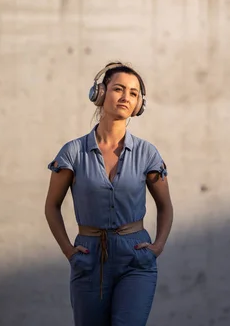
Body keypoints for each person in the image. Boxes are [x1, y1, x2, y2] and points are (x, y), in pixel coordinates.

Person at [44, 61, 173, 326]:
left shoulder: (147, 154)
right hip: (89, 257)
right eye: (118, 89)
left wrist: (157, 247)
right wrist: (69, 251)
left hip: (135, 257)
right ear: (100, 93)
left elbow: (165, 207)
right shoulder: (73, 152)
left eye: (134, 93)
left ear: (139, 105)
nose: (126, 97)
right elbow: (52, 206)